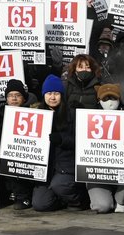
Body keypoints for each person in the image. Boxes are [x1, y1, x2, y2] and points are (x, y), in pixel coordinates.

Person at [31, 80, 86, 212]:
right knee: (40, 204)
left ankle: (79, 200)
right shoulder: (36, 115)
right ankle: (62, 199)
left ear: (62, 95)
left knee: (60, 185)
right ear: (44, 95)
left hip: (66, 165)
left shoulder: (73, 114)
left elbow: (82, 142)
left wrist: (62, 139)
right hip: (46, 168)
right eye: (49, 93)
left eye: (56, 93)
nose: (52, 97)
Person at [84, 83, 124, 214]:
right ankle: (105, 198)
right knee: (102, 207)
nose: (110, 102)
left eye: (113, 98)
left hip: (119, 168)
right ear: (98, 101)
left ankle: (120, 201)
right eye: (105, 99)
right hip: (97, 171)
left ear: (119, 99)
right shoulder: (87, 119)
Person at [0, 80, 38, 208]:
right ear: (6, 98)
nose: (14, 98)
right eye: (10, 95)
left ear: (24, 98)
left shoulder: (34, 113)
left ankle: (24, 197)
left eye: (18, 95)